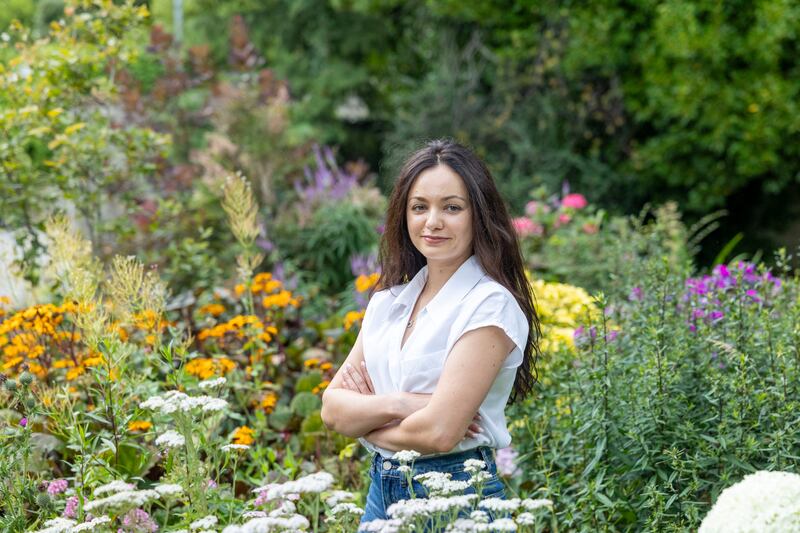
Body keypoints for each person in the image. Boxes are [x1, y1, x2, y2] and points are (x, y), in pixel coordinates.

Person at [320, 138, 541, 525]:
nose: (432, 221)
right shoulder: (386, 304)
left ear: (479, 215)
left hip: (458, 495)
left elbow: (440, 432)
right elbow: (332, 410)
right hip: (380, 495)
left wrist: (367, 428)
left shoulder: (489, 305)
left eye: (452, 207)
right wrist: (403, 405)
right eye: (419, 207)